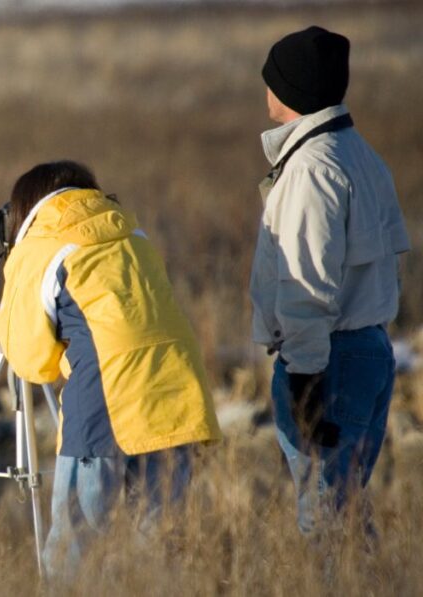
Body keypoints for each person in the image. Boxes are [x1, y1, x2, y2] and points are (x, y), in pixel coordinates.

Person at [0, 160, 221, 579]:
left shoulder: (42, 246)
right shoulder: (132, 234)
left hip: (104, 401)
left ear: (25, 209)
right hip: (176, 392)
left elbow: (30, 361)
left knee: (75, 545)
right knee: (160, 543)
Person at [251, 26, 410, 537]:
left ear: (292, 89)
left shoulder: (311, 170)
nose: (266, 91)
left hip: (329, 359)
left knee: (325, 522)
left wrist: (305, 380)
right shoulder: (359, 155)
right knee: (342, 513)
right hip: (367, 348)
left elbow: (304, 282)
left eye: (272, 80)